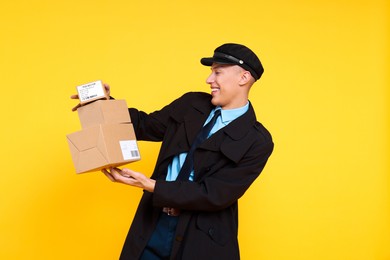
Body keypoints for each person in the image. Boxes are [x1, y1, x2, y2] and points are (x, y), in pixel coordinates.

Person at [73, 43, 274, 259]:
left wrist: (150, 185)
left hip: (202, 241)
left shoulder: (257, 141)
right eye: (210, 72)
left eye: (217, 72)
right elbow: (145, 125)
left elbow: (214, 195)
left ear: (243, 78)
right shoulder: (191, 104)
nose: (209, 80)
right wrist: (105, 104)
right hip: (153, 224)